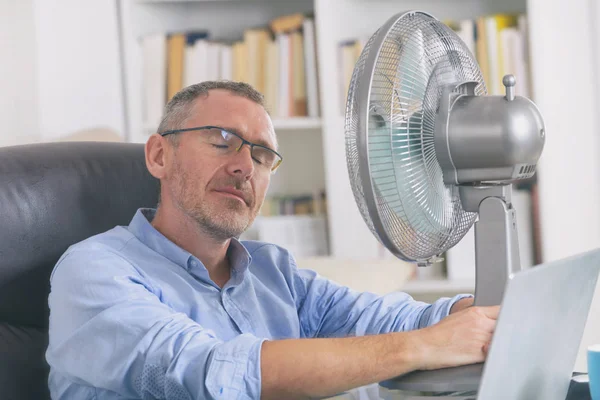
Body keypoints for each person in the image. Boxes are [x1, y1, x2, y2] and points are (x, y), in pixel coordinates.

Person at [46, 80, 499, 400]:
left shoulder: (273, 271)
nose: (246, 166)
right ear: (160, 155)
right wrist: (427, 345)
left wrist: (480, 316)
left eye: (262, 155)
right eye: (223, 141)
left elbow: (379, 318)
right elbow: (209, 377)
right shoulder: (94, 269)